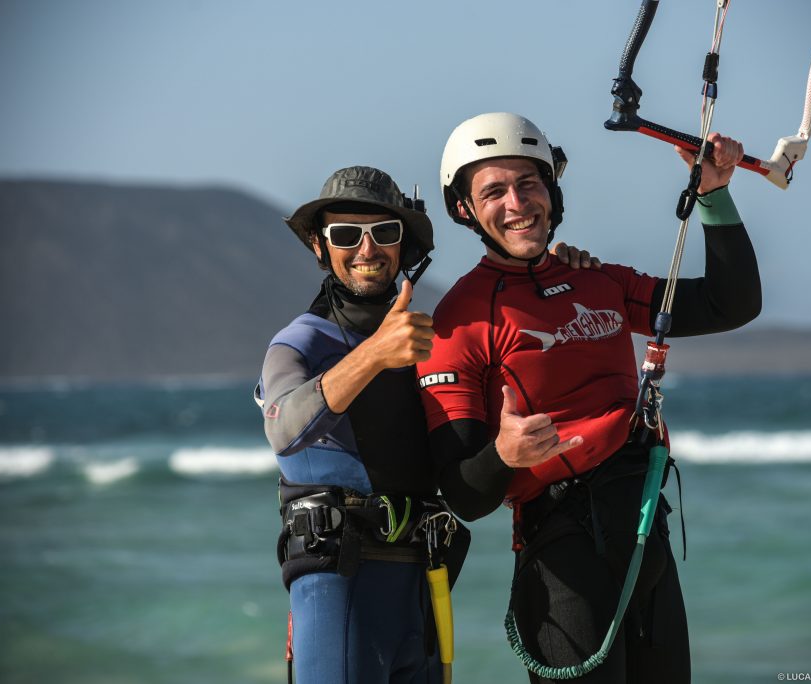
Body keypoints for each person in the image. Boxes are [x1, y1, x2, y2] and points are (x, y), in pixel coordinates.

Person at [416, 112, 762, 683]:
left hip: (645, 535)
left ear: (551, 193)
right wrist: (503, 455)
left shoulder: (599, 280)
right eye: (493, 191)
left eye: (528, 184)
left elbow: (732, 304)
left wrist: (714, 197)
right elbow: (461, 495)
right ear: (465, 211)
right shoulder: (458, 324)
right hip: (561, 558)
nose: (516, 203)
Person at [254, 165, 598, 684]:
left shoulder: (434, 341)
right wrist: (373, 356)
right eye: (346, 235)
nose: (367, 249)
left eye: (384, 233)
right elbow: (283, 429)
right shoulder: (299, 343)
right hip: (338, 584)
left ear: (405, 245)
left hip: (422, 585)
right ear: (319, 247)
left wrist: (562, 269)